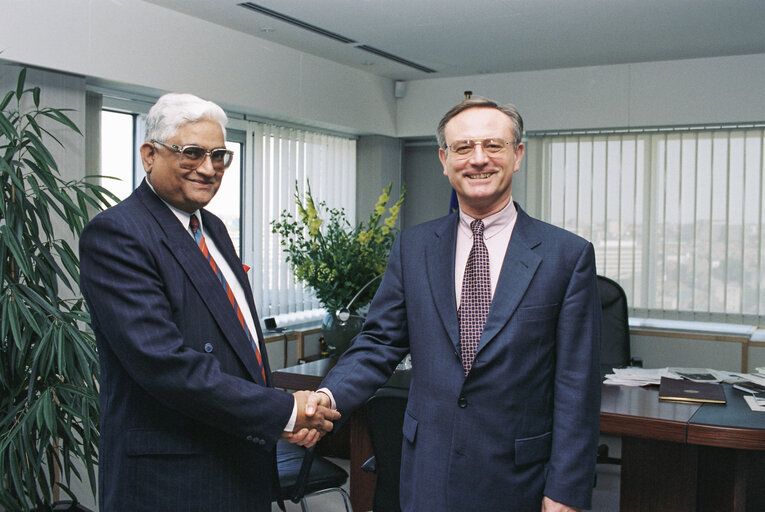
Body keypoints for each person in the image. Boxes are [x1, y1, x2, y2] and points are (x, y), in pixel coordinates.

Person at [305, 98, 601, 511]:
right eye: (463, 148)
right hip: (428, 470)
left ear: (517, 155)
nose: (478, 159)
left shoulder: (566, 256)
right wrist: (328, 397)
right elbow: (378, 343)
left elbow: (577, 386)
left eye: (493, 146)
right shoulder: (414, 247)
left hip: (520, 479)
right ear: (444, 160)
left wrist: (565, 492)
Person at [79, 92, 338, 512]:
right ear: (149, 155)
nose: (208, 168)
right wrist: (283, 410)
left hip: (239, 460)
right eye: (192, 153)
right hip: (172, 478)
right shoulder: (118, 235)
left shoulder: (212, 226)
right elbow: (165, 366)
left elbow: (239, 346)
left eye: (219, 155)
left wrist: (278, 419)